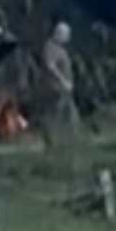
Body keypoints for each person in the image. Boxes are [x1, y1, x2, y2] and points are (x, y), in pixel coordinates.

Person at [41, 21, 78, 149]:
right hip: (56, 89)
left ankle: (72, 142)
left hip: (64, 89)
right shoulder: (51, 47)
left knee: (70, 116)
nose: (68, 38)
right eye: (66, 35)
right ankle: (52, 143)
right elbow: (51, 67)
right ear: (59, 34)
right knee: (55, 116)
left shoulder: (61, 49)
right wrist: (63, 81)